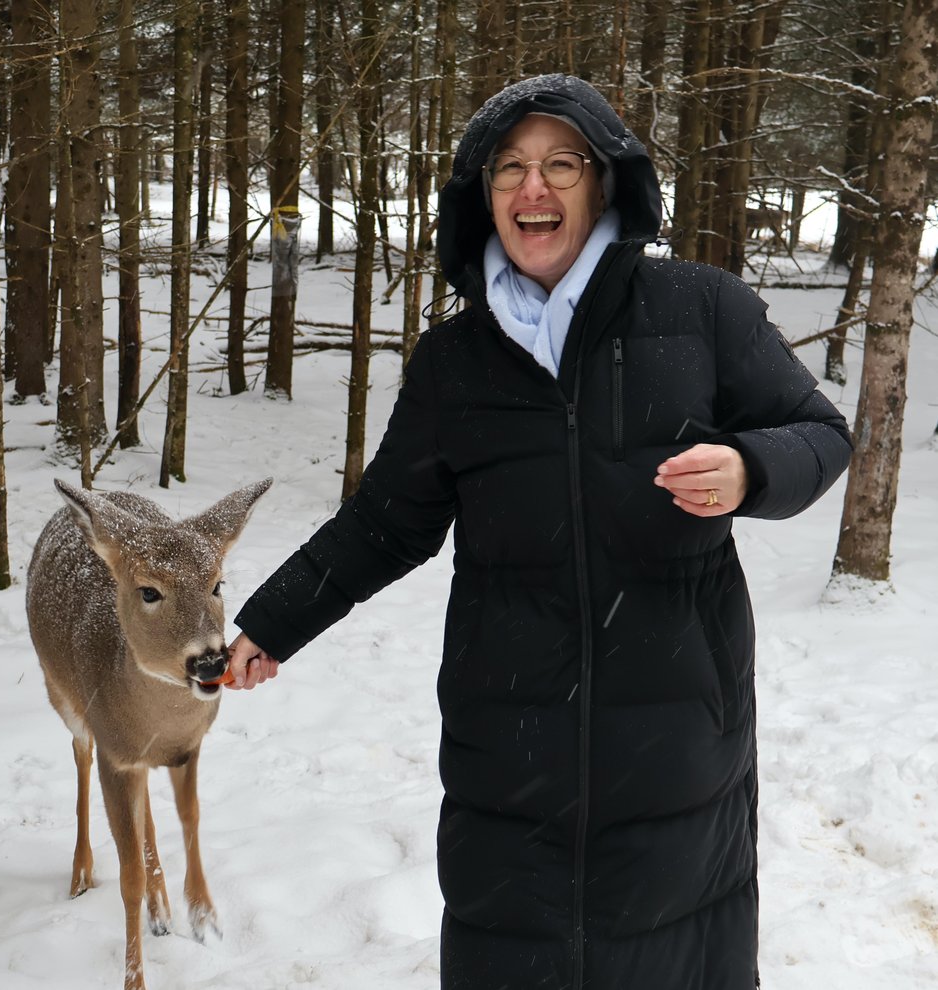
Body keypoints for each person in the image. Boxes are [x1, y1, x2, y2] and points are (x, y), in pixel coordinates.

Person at [224, 75, 852, 989]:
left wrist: (752, 468)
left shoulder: (699, 310)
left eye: (562, 164)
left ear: (604, 184)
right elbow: (386, 522)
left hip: (678, 742)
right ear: (481, 198)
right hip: (507, 748)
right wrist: (274, 620)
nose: (534, 190)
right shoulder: (454, 361)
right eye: (509, 169)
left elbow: (821, 434)